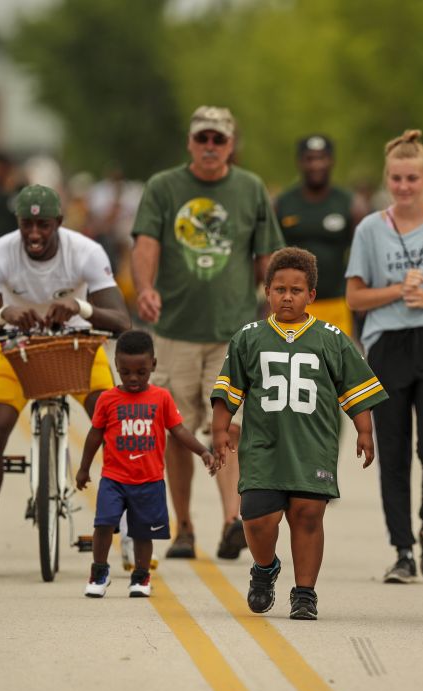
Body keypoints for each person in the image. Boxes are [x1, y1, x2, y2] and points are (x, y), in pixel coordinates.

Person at [131, 106, 284, 560]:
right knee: (177, 431)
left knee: (228, 426)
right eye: (203, 139)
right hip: (175, 330)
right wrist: (144, 289)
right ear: (190, 143)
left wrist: (278, 304)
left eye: (219, 139)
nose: (211, 147)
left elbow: (266, 258)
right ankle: (184, 527)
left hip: (231, 332)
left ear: (231, 143)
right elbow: (145, 243)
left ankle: (231, 520)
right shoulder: (164, 187)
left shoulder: (250, 188)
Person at [211, 248, 387, 620]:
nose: (287, 296)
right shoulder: (249, 337)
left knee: (308, 515)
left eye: (295, 290)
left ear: (312, 295)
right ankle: (264, 568)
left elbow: (355, 388)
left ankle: (305, 593)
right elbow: (227, 392)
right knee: (257, 519)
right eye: (279, 289)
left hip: (312, 445)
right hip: (263, 447)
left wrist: (364, 431)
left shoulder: (331, 338)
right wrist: (220, 432)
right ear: (267, 292)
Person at [0, 185, 132, 576]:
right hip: (17, 349)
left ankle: (129, 533)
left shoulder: (86, 251)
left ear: (59, 222)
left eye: (44, 225)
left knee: (118, 426)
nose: (35, 234)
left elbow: (121, 321)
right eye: (27, 225)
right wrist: (4, 315)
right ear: (18, 225)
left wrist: (80, 306)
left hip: (76, 348)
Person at [345, 130, 423, 583]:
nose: (403, 186)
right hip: (388, 345)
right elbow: (355, 298)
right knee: (394, 452)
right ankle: (402, 548)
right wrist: (398, 291)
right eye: (396, 179)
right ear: (387, 180)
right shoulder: (369, 229)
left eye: (412, 178)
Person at [74, 330, 220, 598]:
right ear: (116, 365)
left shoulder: (161, 398)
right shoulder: (107, 399)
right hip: (114, 479)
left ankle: (140, 577)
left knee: (143, 533)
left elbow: (179, 431)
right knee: (103, 524)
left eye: (141, 372)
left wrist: (203, 452)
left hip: (149, 481)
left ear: (153, 365)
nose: (133, 379)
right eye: (125, 372)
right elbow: (95, 435)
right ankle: (99, 571)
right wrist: (84, 468)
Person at [273, 134, 366, 337]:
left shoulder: (350, 204)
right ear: (300, 162)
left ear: (331, 161)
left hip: (336, 302)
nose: (316, 165)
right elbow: (269, 253)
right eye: (310, 159)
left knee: (334, 366)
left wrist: (361, 297)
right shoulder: (283, 203)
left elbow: (364, 256)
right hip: (292, 304)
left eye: (321, 158)